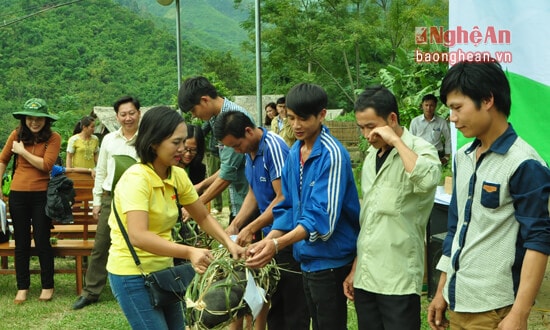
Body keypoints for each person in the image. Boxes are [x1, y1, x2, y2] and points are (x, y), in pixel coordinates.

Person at [427, 60, 550, 330]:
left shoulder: (524, 163)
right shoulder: (463, 157)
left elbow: (538, 241)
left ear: (487, 100)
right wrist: (441, 290)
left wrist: (519, 314)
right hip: (457, 301)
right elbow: (455, 228)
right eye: (450, 109)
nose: (452, 118)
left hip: (495, 311)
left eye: (458, 108)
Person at [106, 106, 245, 329]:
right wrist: (189, 251)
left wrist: (229, 243)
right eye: (176, 143)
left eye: (184, 142)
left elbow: (203, 216)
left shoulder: (176, 174)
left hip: (164, 273)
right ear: (154, 143)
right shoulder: (136, 179)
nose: (183, 149)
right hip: (132, 275)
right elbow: (138, 236)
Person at [245, 83, 360, 330]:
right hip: (305, 257)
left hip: (329, 260)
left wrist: (277, 244)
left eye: (303, 119)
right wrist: (269, 239)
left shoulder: (332, 154)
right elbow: (288, 205)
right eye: (291, 118)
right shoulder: (295, 150)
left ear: (321, 115)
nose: (296, 125)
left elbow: (322, 220)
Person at [343, 85, 441, 329]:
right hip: (367, 277)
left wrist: (396, 141)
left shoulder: (420, 150)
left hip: (398, 278)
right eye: (362, 128)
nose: (367, 135)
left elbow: (428, 180)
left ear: (392, 119)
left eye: (372, 127)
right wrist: (356, 266)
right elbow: (370, 219)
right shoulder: (370, 157)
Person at [215, 111, 310, 330]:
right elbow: (254, 191)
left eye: (236, 145)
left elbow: (283, 197)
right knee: (274, 302)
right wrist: (237, 223)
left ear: (248, 131)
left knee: (293, 308)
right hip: (271, 235)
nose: (236, 150)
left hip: (288, 234)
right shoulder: (249, 150)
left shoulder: (273, 147)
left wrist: (252, 226)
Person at [72, 96, 141, 310]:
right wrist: (96, 201)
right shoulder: (109, 140)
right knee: (101, 245)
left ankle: (143, 288)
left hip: (140, 197)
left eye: (131, 113)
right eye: (123, 114)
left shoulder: (148, 138)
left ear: (139, 113)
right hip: (112, 197)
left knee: (142, 242)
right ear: (117, 116)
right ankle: (91, 291)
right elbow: (100, 172)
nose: (128, 118)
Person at [0, 98, 61, 303]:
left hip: (41, 196)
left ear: (46, 120)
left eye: (39, 119)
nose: (34, 122)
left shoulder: (53, 138)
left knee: (43, 240)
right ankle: (22, 287)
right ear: (24, 118)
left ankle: (47, 285)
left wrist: (23, 151)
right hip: (17, 195)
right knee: (21, 242)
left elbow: (46, 165)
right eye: (30, 118)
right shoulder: (16, 135)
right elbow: (2, 159)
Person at [178, 76, 251, 223]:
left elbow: (227, 174)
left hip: (249, 205)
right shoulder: (216, 118)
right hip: (239, 201)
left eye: (193, 110)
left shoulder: (233, 118)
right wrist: (201, 186)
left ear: (205, 100)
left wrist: (195, 206)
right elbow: (227, 165)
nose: (193, 115)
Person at [409, 94, 451, 165]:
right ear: (422, 105)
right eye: (426, 105)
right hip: (419, 155)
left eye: (431, 105)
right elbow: (410, 139)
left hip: (436, 155)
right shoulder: (415, 122)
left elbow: (448, 138)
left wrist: (447, 156)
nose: (428, 108)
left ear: (435, 106)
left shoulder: (441, 122)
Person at [201, 120, 224, 214]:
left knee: (230, 178)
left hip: (226, 151)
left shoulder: (226, 116)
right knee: (213, 180)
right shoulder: (211, 119)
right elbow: (202, 131)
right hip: (215, 152)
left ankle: (232, 209)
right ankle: (218, 206)